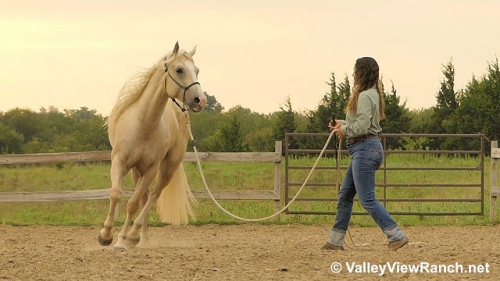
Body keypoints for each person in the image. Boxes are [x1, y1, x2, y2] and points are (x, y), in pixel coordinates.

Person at [322, 57, 409, 251]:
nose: (353, 74)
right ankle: (335, 241)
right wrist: (342, 126)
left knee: (367, 198)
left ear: (361, 73)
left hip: (364, 149)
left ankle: (396, 235)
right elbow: (365, 124)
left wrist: (344, 131)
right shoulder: (373, 95)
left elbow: (361, 127)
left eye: (355, 71)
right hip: (368, 148)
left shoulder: (363, 96)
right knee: (345, 195)